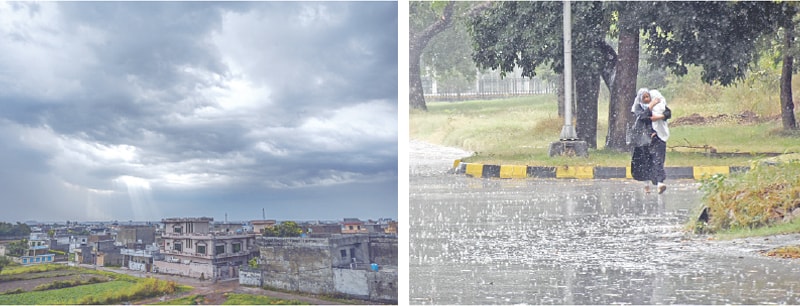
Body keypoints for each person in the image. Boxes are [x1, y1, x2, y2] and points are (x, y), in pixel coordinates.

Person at [629, 88, 654, 192]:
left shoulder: (654, 106)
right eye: (644, 97)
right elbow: (643, 117)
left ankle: (654, 180)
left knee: (651, 159)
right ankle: (646, 184)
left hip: (651, 136)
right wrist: (650, 109)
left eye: (648, 97)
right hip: (640, 138)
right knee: (642, 160)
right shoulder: (638, 107)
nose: (646, 99)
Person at [646, 89, 670, 194]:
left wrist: (659, 117)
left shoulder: (662, 107)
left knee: (659, 160)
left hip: (660, 138)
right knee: (650, 161)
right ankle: (652, 182)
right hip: (649, 139)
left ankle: (660, 182)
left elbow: (668, 113)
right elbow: (643, 118)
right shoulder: (645, 108)